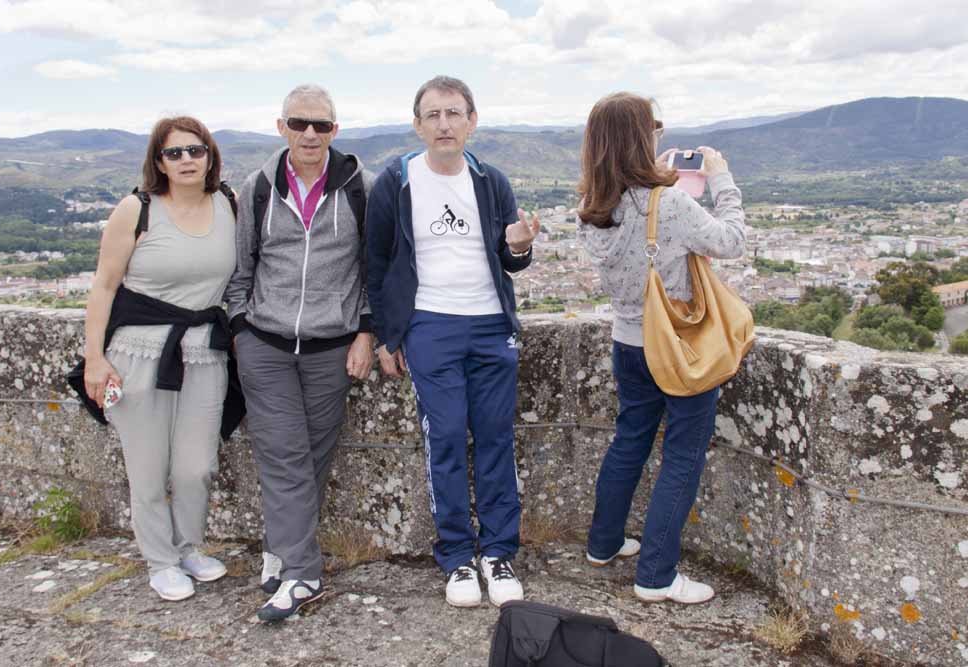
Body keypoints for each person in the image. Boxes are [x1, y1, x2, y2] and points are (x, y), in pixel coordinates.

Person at [366, 75, 540, 608]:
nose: (444, 123)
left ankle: (499, 554)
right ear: (417, 124)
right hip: (429, 325)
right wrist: (384, 334)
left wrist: (520, 247)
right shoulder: (395, 182)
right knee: (443, 437)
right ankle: (459, 558)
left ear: (472, 121)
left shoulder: (492, 181)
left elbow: (511, 260)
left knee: (494, 437)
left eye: (454, 113)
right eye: (433, 114)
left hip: (490, 324)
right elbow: (375, 262)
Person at [576, 93, 746, 604]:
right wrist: (720, 178)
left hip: (628, 343)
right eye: (655, 127)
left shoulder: (590, 208)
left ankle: (603, 544)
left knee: (630, 440)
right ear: (641, 136)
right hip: (678, 346)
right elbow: (731, 240)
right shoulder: (669, 202)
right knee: (683, 455)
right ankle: (656, 576)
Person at [223, 84, 374, 621]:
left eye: (322, 125)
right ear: (281, 126)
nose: (310, 134)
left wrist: (366, 332)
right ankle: (302, 574)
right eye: (299, 123)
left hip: (331, 347)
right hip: (264, 343)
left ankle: (279, 548)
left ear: (336, 130)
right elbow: (241, 270)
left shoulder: (362, 188)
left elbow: (372, 270)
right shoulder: (258, 188)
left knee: (313, 454)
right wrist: (241, 329)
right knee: (284, 454)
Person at [83, 116, 236, 601]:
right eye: (175, 153)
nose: (187, 160)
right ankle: (160, 560)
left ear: (210, 156)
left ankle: (189, 547)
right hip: (138, 353)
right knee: (147, 467)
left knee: (197, 465)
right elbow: (104, 286)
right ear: (158, 161)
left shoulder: (229, 204)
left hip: (205, 355)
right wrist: (94, 359)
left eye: (196, 151)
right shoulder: (137, 209)